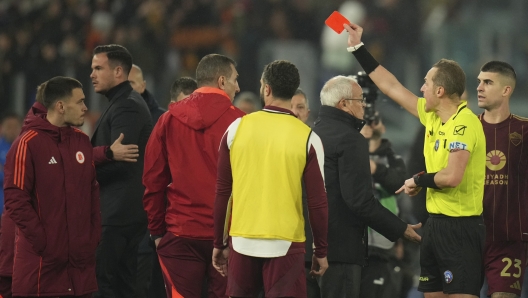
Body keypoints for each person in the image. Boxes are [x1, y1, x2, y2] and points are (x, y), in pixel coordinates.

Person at [345, 22, 486, 298]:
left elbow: (452, 176)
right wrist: (358, 48)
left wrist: (418, 180)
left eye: (426, 83)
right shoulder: (431, 115)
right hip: (435, 224)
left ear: (441, 91)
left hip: (462, 228)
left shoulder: (465, 123)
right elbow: (391, 86)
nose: (421, 88)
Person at [212, 60, 329, 297]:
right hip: (286, 244)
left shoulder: (236, 129)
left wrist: (219, 243)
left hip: (242, 239)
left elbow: (224, 192)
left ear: (266, 89)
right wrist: (321, 250)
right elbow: (317, 203)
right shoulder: (309, 138)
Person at [142, 53, 244, 298]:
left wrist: (156, 231)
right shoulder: (241, 123)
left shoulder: (167, 120)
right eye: (235, 80)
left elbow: (153, 180)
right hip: (227, 237)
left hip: (180, 232)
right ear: (221, 82)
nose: (238, 87)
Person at [312, 75, 421, 298]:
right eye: (359, 100)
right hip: (341, 251)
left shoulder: (310, 135)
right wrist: (401, 229)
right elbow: (359, 201)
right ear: (344, 104)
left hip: (308, 250)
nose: (364, 105)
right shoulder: (350, 139)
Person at [3, 76, 100, 297]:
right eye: (80, 102)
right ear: (61, 106)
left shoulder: (82, 142)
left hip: (79, 272)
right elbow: (16, 199)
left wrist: (92, 237)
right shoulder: (28, 143)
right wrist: (45, 243)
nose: (86, 107)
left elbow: (92, 192)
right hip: (41, 270)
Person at [90, 44, 153, 298]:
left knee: (102, 284)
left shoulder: (126, 105)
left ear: (118, 72)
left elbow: (122, 161)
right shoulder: (122, 102)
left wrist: (86, 176)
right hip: (123, 211)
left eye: (98, 68)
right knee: (123, 285)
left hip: (117, 214)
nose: (92, 74)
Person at [476, 61, 528, 298]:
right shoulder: (466, 129)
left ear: (506, 90)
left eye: (488, 82)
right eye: (479, 81)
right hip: (469, 236)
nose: (479, 87)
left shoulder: (524, 131)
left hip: (509, 240)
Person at [128, 63, 167, 298]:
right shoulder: (111, 115)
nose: (128, 90)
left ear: (143, 86)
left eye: (132, 84)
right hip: (124, 218)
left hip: (151, 220)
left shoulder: (161, 120)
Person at [359, 117, 407, 298]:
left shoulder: (393, 158)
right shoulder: (349, 150)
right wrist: (359, 141)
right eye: (366, 120)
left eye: (375, 120)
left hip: (383, 245)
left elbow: (398, 185)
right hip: (354, 241)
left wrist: (375, 169)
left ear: (384, 127)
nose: (370, 124)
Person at [0, 113, 22, 216]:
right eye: (9, 127)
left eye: (15, 127)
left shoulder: (27, 148)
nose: (12, 130)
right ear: (2, 128)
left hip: (20, 207)